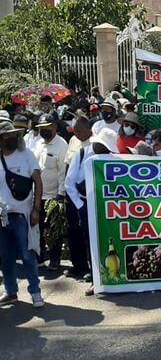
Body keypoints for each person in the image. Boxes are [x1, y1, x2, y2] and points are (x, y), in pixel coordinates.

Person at [65, 127, 118, 296]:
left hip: (106, 207)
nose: (104, 151)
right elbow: (69, 183)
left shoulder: (110, 158)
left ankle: (113, 276)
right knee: (91, 244)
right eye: (102, 147)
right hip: (85, 205)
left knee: (109, 241)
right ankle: (96, 281)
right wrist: (80, 206)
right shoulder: (81, 154)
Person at [0, 119, 44, 308]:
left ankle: (35, 292)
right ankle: (11, 292)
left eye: (12, 135)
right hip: (2, 217)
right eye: (5, 136)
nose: (9, 138)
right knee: (6, 257)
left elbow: (38, 182)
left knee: (28, 256)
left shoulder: (26, 155)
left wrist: (36, 209)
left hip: (23, 216)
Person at [32, 113, 68, 271]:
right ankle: (39, 257)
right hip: (37, 195)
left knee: (53, 230)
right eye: (41, 128)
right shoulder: (39, 143)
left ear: (54, 127)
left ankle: (55, 259)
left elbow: (62, 172)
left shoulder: (61, 145)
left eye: (47, 128)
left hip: (54, 196)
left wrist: (60, 195)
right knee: (36, 228)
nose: (43, 131)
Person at [63, 116, 92, 280]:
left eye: (79, 131)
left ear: (87, 128)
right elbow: (68, 164)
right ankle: (78, 265)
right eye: (74, 131)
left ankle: (90, 269)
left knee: (86, 233)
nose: (77, 134)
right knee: (73, 231)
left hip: (84, 198)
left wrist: (81, 203)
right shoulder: (74, 140)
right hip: (71, 193)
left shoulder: (95, 144)